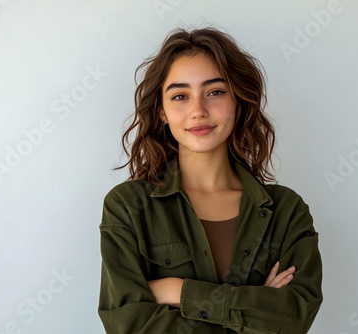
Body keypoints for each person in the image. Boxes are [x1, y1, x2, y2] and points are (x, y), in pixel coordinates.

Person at [98, 27, 323, 333]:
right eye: (180, 96)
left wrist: (178, 291)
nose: (198, 111)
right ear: (162, 112)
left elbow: (293, 318)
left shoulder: (286, 211)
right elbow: (129, 324)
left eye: (215, 92)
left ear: (238, 101)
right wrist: (257, 307)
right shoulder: (127, 207)